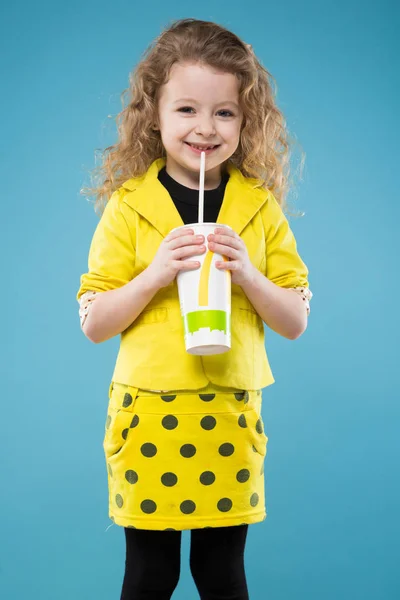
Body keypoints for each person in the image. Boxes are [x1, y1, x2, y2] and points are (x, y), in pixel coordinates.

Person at [76, 17, 313, 600]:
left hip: (228, 415)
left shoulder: (259, 207)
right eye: (186, 110)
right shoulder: (128, 208)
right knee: (151, 574)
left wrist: (250, 275)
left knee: (222, 573)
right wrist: (155, 275)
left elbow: (295, 319)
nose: (205, 128)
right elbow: (93, 322)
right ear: (153, 116)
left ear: (245, 121)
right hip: (150, 415)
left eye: (224, 112)